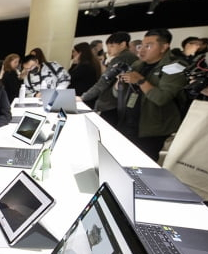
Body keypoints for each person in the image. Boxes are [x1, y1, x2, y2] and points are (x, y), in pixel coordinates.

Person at [116, 28, 188, 161]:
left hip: (152, 130)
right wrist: (118, 86)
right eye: (141, 46)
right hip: (128, 124)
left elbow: (161, 98)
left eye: (148, 46)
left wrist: (141, 81)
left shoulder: (176, 67)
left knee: (143, 167)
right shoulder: (138, 64)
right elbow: (118, 95)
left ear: (164, 47)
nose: (141, 50)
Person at [81, 31, 139, 126]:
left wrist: (84, 97)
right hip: (122, 103)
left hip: (110, 104)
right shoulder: (133, 58)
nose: (108, 50)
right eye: (107, 46)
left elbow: (103, 82)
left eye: (111, 46)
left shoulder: (120, 59)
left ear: (123, 44)